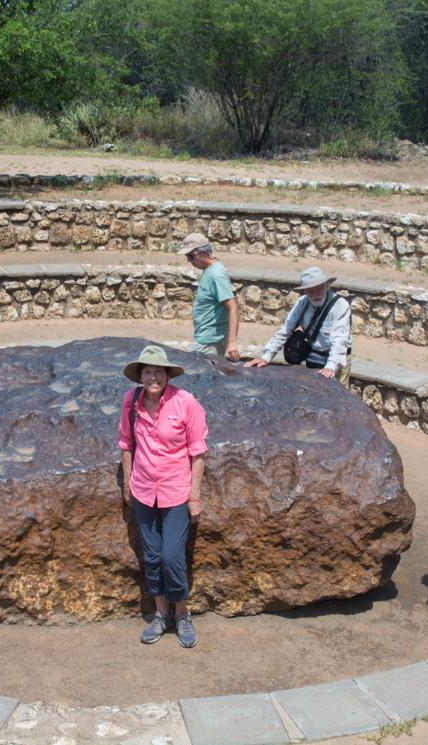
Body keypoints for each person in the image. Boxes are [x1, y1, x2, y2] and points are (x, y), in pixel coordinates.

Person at [118, 345, 208, 648]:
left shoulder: (186, 403)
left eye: (158, 371)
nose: (153, 377)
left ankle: (182, 612)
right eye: (147, 371)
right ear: (140, 376)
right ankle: (161, 613)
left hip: (175, 491)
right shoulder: (131, 402)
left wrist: (195, 496)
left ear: (167, 375)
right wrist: (128, 483)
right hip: (144, 490)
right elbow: (126, 443)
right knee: (152, 555)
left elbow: (198, 452)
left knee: (171, 556)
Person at [244, 266, 352, 386]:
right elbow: (285, 330)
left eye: (318, 289)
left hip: (336, 360)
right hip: (313, 356)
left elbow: (339, 340)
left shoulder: (340, 305)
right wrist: (266, 357)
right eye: (311, 290)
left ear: (325, 286)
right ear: (305, 291)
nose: (315, 294)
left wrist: (331, 367)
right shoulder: (302, 302)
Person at [178, 233, 241, 361]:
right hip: (207, 338)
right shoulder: (210, 270)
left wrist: (232, 342)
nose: (190, 261)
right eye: (187, 257)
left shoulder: (216, 274)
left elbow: (233, 307)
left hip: (210, 342)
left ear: (203, 253)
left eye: (191, 256)